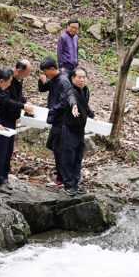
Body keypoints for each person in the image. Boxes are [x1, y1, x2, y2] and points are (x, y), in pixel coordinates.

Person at [0, 60, 34, 193]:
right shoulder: (6, 78)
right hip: (1, 118)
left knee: (8, 150)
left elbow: (17, 96)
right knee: (1, 150)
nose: (25, 77)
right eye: (25, 74)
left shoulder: (18, 81)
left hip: (11, 118)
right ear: (18, 71)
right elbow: (3, 100)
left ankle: (4, 177)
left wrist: (25, 102)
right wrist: (22, 106)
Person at [38, 57, 72, 188]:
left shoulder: (63, 81)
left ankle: (61, 178)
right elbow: (43, 89)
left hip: (62, 120)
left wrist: (50, 111)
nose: (45, 74)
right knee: (52, 145)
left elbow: (64, 103)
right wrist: (42, 81)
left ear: (52, 69)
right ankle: (63, 175)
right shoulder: (54, 79)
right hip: (56, 119)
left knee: (58, 149)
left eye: (45, 72)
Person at [62, 67, 94, 196]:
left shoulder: (85, 90)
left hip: (80, 129)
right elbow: (72, 99)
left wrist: (92, 115)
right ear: (72, 78)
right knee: (68, 156)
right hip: (70, 128)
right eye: (79, 77)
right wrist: (73, 106)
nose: (81, 80)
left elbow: (85, 105)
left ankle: (75, 182)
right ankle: (68, 184)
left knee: (78, 157)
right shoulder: (71, 90)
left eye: (83, 77)